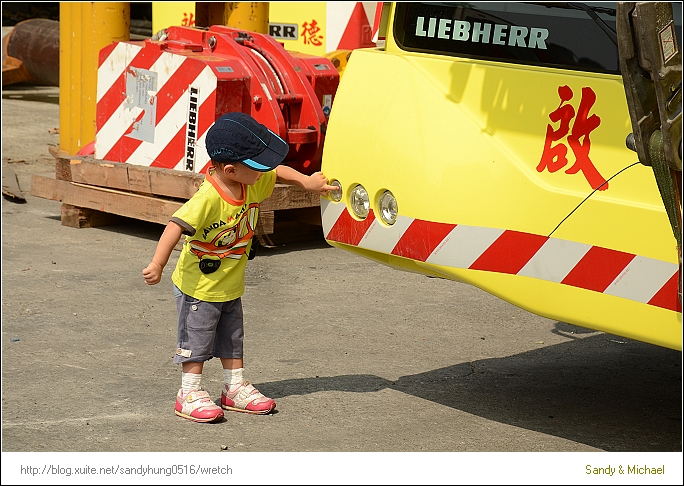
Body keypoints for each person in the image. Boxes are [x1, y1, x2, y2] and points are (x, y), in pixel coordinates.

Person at [142, 112, 336, 423]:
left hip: (229, 285)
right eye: (258, 167)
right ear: (231, 169)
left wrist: (307, 182)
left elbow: (280, 172)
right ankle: (188, 392)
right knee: (198, 338)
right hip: (199, 288)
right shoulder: (208, 198)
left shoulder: (251, 183)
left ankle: (233, 388)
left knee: (233, 337)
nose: (265, 172)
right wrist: (158, 263)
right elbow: (175, 225)